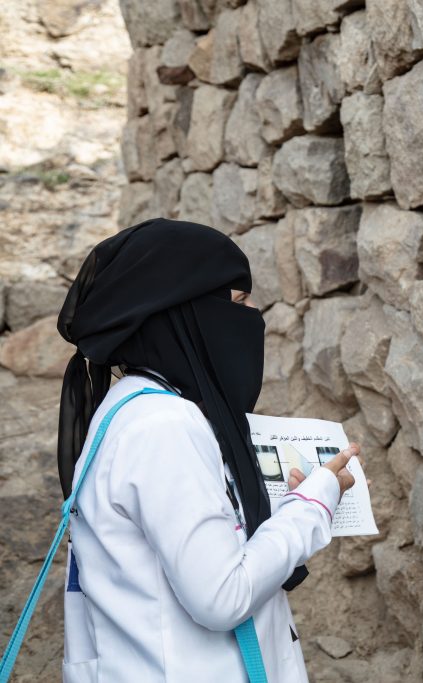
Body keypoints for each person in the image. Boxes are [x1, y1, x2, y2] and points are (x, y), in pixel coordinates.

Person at [55, 219, 359, 682]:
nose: (253, 314)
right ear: (187, 317)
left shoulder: (136, 405)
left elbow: (186, 535)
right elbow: (222, 597)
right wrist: (315, 503)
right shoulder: (164, 428)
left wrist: (284, 505)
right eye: (237, 302)